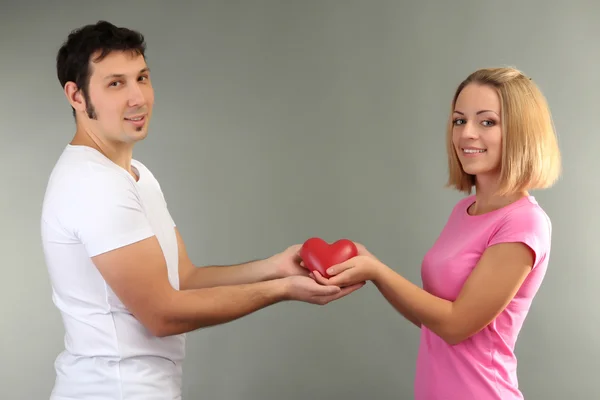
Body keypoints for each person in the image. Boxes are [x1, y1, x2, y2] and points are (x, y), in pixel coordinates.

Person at [41, 20, 364, 400]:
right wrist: (283, 290)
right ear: (76, 96)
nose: (138, 98)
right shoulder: (94, 184)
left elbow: (185, 279)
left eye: (142, 78)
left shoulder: (135, 175)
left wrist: (274, 268)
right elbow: (163, 314)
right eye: (116, 84)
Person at [309, 67, 561, 399]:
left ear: (521, 132)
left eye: (487, 122)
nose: (467, 133)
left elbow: (456, 326)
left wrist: (378, 271)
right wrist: (371, 266)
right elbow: (433, 321)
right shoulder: (463, 211)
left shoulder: (523, 223)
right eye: (459, 120)